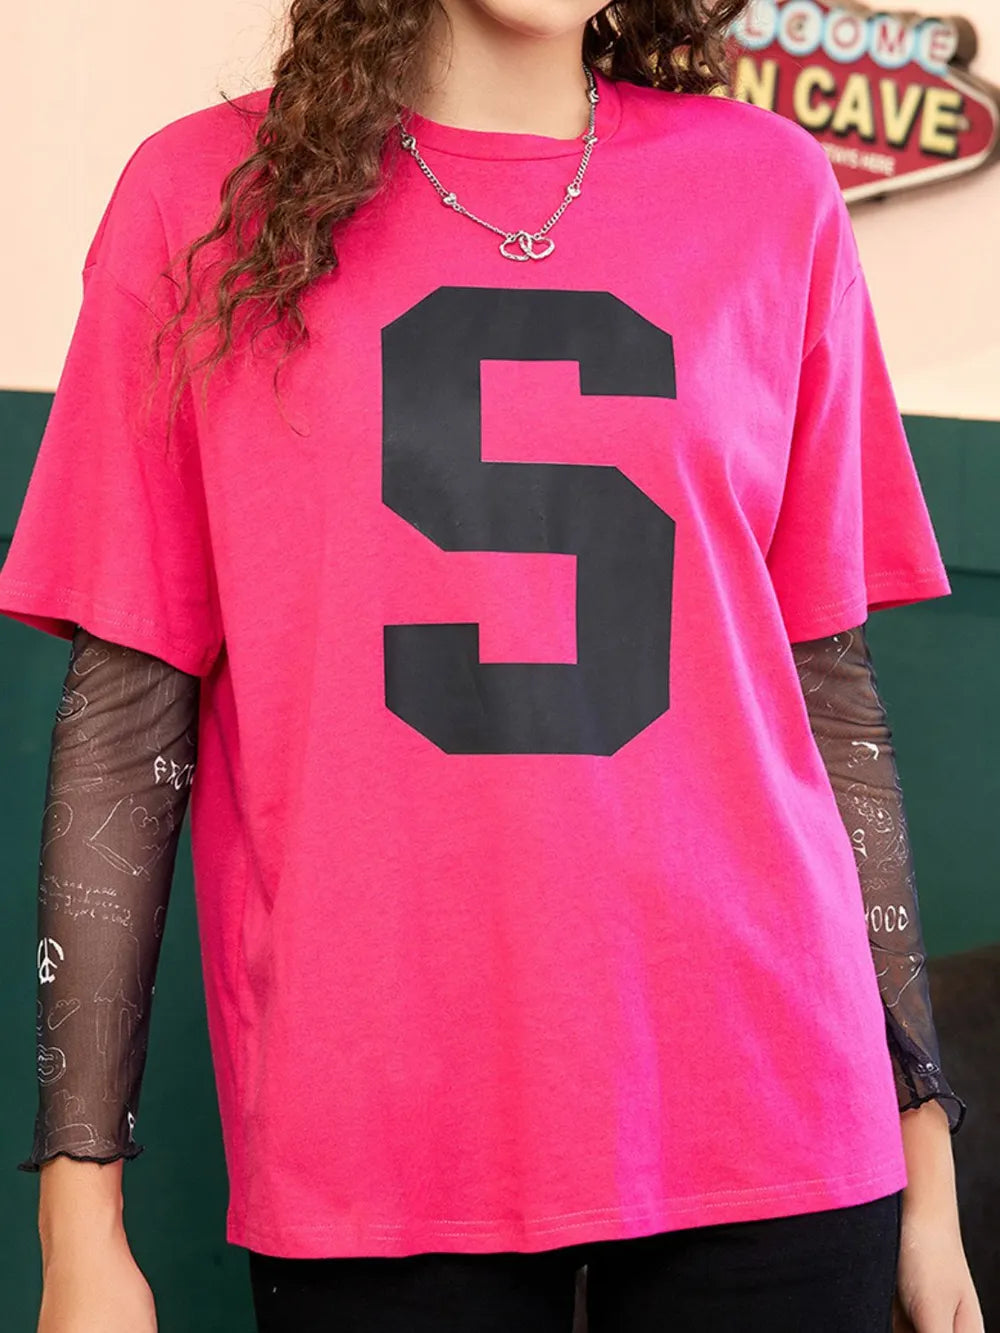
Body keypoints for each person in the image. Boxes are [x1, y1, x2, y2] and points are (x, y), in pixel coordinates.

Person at [0, 2, 984, 1330]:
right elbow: (127, 727)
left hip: (776, 1110)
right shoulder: (200, 197)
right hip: (377, 1130)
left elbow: (831, 703)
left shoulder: (770, 188)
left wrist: (925, 1156)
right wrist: (79, 1224)